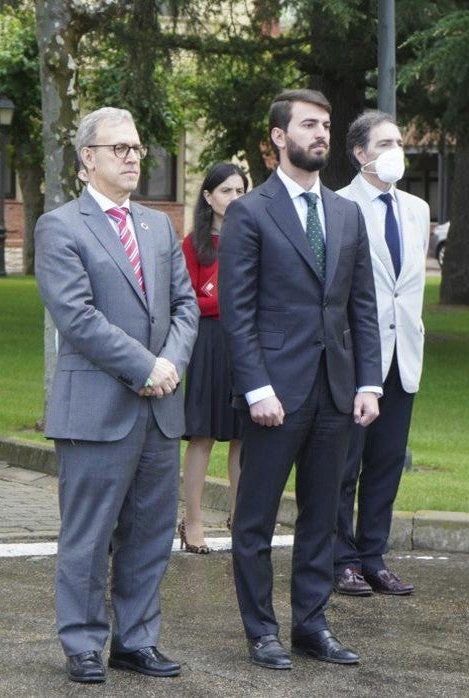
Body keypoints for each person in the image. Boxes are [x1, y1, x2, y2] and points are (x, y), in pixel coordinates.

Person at [219, 89, 382, 670]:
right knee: (256, 520)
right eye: (309, 124)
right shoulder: (250, 212)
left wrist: (369, 383)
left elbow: (361, 308)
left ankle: (311, 625)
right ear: (278, 138)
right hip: (274, 396)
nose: (321, 134)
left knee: (322, 518)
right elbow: (238, 311)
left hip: (337, 391)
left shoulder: (346, 214)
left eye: (327, 125)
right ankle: (262, 632)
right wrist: (256, 387)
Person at [34, 107, 198, 684]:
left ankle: (136, 641)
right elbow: (76, 317)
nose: (133, 158)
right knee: (89, 535)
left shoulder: (157, 226)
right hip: (96, 411)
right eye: (120, 149)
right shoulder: (61, 226)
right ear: (87, 159)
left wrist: (171, 363)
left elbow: (186, 306)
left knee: (151, 534)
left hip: (160, 409)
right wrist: (144, 365)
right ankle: (82, 643)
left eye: (136, 149)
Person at [331, 111, 427, 599]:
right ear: (360, 153)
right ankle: (341, 558)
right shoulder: (339, 205)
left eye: (399, 141)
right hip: (354, 358)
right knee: (345, 464)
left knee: (386, 463)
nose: (396, 151)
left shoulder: (417, 208)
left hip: (404, 356)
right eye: (385, 143)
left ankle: (373, 556)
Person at [178, 163, 248, 554]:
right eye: (226, 191)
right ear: (208, 197)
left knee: (242, 436)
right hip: (207, 345)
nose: (234, 199)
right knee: (202, 434)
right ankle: (192, 521)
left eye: (240, 191)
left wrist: (224, 304)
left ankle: (240, 520)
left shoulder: (254, 239)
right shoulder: (195, 244)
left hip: (244, 346)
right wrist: (227, 303)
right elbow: (189, 300)